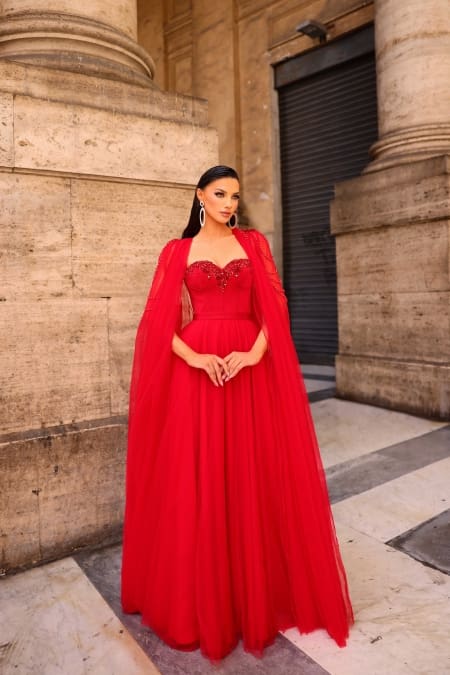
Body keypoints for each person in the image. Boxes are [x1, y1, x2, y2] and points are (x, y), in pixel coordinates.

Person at [121, 165, 354, 662]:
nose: (230, 203)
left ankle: (255, 594)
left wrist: (254, 352)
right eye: (221, 194)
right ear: (200, 195)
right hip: (199, 370)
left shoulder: (254, 244)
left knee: (253, 476)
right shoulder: (176, 252)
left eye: (236, 196)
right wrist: (198, 358)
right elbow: (156, 325)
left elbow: (277, 307)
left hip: (250, 369)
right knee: (200, 479)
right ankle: (204, 601)